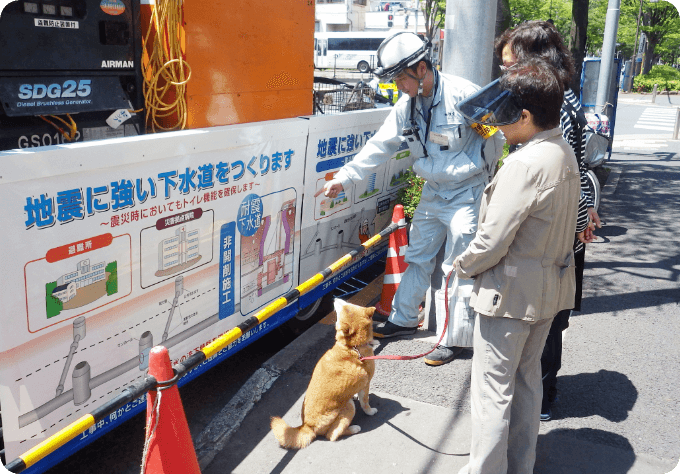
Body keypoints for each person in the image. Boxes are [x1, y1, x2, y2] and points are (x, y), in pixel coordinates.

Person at [316, 32, 503, 366]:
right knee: (417, 256)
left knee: (457, 266)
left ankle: (452, 339)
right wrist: (344, 178)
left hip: (467, 192)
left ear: (420, 68)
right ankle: (403, 320)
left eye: (401, 77)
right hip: (433, 190)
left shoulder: (465, 97)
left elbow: (495, 139)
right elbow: (380, 146)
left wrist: (485, 182)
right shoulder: (407, 107)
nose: (398, 84)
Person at [453, 58, 586, 474]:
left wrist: (461, 266)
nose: (497, 124)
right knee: (528, 385)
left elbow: (491, 242)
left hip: (509, 297)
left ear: (525, 116)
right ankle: (518, 466)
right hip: (549, 291)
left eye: (505, 116)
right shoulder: (561, 151)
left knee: (492, 392)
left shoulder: (523, 164)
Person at [494, 20, 601, 421]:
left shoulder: (559, 104)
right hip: (557, 222)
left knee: (549, 313)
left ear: (533, 60)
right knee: (546, 310)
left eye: (511, 64)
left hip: (555, 227)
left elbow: (567, 171)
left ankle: (542, 391)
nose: (506, 73)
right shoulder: (555, 97)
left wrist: (577, 225)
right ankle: (536, 387)